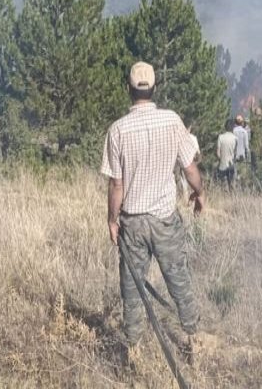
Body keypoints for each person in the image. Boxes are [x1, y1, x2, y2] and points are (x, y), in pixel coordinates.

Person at [101, 61, 206, 364]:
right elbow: (189, 168)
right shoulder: (172, 121)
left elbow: (116, 185)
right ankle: (191, 339)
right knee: (178, 279)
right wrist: (199, 193)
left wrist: (112, 219)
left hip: (132, 223)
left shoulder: (118, 130)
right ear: (154, 87)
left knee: (132, 288)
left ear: (128, 89)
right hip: (164, 219)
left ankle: (133, 350)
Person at [216, 121, 238, 190]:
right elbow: (235, 153)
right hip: (231, 163)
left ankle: (225, 196)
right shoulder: (235, 138)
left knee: (223, 184)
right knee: (232, 183)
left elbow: (218, 153)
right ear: (232, 128)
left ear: (225, 127)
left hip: (222, 164)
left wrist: (220, 159)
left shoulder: (220, 137)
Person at [233, 114, 251, 183]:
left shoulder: (233, 131)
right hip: (242, 155)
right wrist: (248, 155)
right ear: (242, 122)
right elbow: (246, 145)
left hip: (234, 155)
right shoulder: (244, 132)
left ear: (235, 122)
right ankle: (241, 184)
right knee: (242, 172)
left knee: (235, 171)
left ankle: (235, 184)